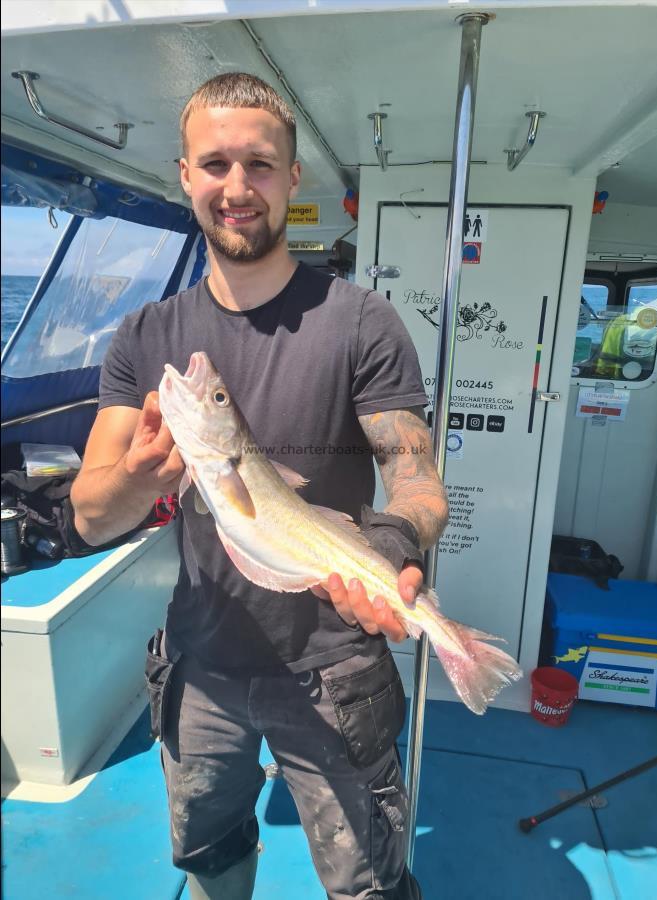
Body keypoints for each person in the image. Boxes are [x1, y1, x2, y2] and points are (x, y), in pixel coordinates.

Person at [71, 72, 448, 900]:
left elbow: (418, 481)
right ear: (183, 174)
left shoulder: (362, 323)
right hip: (199, 664)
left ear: (292, 178)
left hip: (336, 668)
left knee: (368, 884)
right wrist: (139, 480)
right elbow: (91, 516)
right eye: (214, 165)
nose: (236, 188)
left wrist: (387, 545)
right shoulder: (147, 337)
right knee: (209, 857)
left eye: (259, 165)